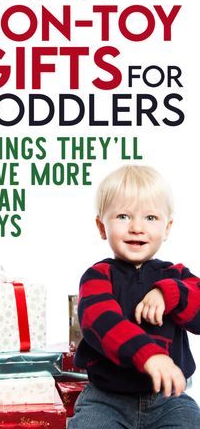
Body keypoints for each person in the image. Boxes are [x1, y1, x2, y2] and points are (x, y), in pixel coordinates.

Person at [68, 165, 200, 429]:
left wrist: (170, 292)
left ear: (167, 227)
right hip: (105, 400)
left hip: (168, 400)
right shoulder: (98, 276)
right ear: (101, 226)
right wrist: (149, 355)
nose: (137, 227)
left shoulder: (178, 275)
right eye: (123, 216)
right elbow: (100, 322)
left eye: (151, 218)